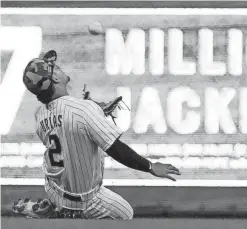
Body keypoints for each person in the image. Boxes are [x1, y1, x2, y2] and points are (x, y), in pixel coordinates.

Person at [15, 50, 180, 219]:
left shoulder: (40, 115)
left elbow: (66, 121)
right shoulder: (84, 110)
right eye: (54, 67)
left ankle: (54, 206)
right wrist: (150, 167)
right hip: (84, 200)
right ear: (55, 79)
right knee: (125, 214)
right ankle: (62, 214)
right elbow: (115, 149)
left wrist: (95, 111)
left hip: (53, 188)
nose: (58, 67)